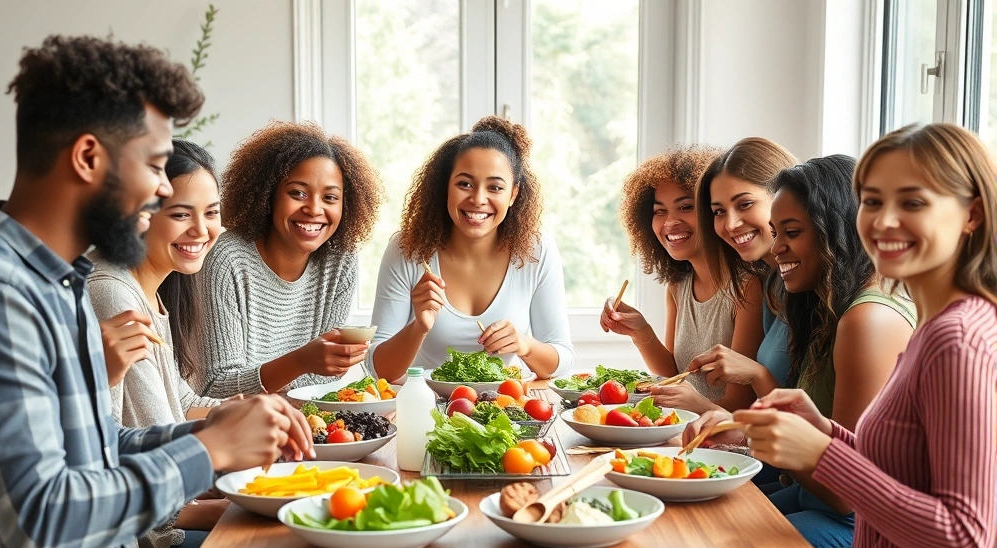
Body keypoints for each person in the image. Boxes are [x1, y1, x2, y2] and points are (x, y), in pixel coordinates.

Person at [0, 35, 313, 548]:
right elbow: (37, 526)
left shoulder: (54, 281)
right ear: (88, 157)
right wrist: (211, 450)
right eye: (155, 166)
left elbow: (96, 447)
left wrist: (211, 429)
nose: (160, 191)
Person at [727, 123, 996, 548]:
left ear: (972, 215)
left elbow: (965, 541)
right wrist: (825, 432)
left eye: (912, 202)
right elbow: (905, 467)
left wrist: (821, 454)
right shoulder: (935, 327)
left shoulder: (958, 341)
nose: (884, 221)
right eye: (872, 201)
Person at [692, 156, 917, 548]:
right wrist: (743, 429)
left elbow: (847, 491)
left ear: (840, 229)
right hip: (814, 499)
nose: (777, 248)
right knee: (696, 526)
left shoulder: (869, 320)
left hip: (860, 522)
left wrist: (754, 437)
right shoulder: (828, 306)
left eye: (791, 232)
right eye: (777, 232)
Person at [87, 139, 228, 548]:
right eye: (182, 214)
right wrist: (222, 509)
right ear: (141, 215)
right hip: (144, 542)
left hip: (169, 510)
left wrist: (245, 413)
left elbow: (180, 404)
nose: (202, 230)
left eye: (212, 213)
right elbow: (130, 448)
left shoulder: (153, 290)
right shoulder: (112, 292)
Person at [368, 116, 573, 382]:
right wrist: (418, 326)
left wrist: (524, 345)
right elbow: (378, 370)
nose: (478, 199)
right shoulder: (408, 249)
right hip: (425, 411)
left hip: (503, 411)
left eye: (495, 187)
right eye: (465, 184)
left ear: (513, 195)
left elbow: (562, 361)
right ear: (446, 188)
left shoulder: (536, 251)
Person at [198, 121, 383, 396]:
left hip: (306, 422)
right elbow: (216, 387)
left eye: (330, 197)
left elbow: (323, 380)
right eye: (297, 193)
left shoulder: (340, 263)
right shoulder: (227, 260)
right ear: (267, 194)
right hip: (239, 428)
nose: (314, 209)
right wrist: (300, 362)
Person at [599, 145, 763, 413]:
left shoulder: (747, 287)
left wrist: (690, 408)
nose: (669, 222)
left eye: (686, 207)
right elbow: (675, 374)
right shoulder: (678, 287)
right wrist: (640, 331)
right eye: (659, 211)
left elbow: (740, 403)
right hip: (687, 430)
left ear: (712, 211)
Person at [690, 137, 799, 392]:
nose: (730, 224)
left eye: (745, 204)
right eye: (719, 212)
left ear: (783, 197)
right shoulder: (773, 283)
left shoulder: (816, 290)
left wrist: (756, 375)